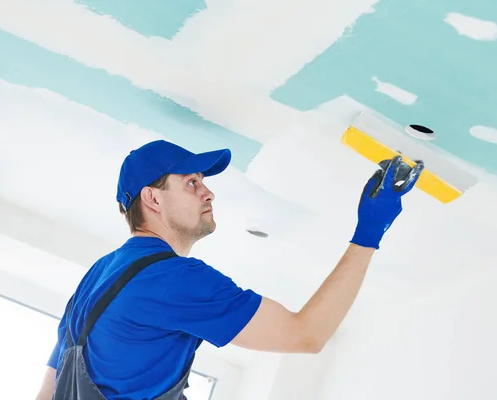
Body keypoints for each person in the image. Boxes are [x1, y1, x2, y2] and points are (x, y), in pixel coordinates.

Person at [36, 139, 424, 400]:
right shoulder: (173, 281)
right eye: (191, 183)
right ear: (153, 198)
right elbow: (307, 335)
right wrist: (369, 231)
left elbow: (49, 390)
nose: (208, 192)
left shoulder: (99, 275)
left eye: (203, 181)